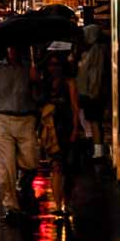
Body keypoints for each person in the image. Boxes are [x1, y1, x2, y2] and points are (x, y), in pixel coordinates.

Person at [0, 44, 40, 224]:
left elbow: (39, 97)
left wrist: (35, 80)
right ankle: (11, 205)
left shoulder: (29, 68)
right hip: (3, 119)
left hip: (26, 119)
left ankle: (23, 184)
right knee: (5, 168)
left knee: (30, 161)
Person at [39, 46, 82, 219]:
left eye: (57, 64)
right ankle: (58, 204)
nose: (53, 68)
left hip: (66, 127)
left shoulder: (69, 83)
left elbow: (74, 107)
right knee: (56, 167)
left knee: (69, 168)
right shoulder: (44, 83)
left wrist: (75, 128)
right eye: (50, 64)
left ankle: (67, 200)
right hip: (51, 130)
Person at [76, 23, 108, 161]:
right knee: (92, 121)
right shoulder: (95, 50)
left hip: (92, 92)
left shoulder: (96, 51)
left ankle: (98, 150)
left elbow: (91, 73)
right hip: (92, 92)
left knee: (94, 121)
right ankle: (96, 148)